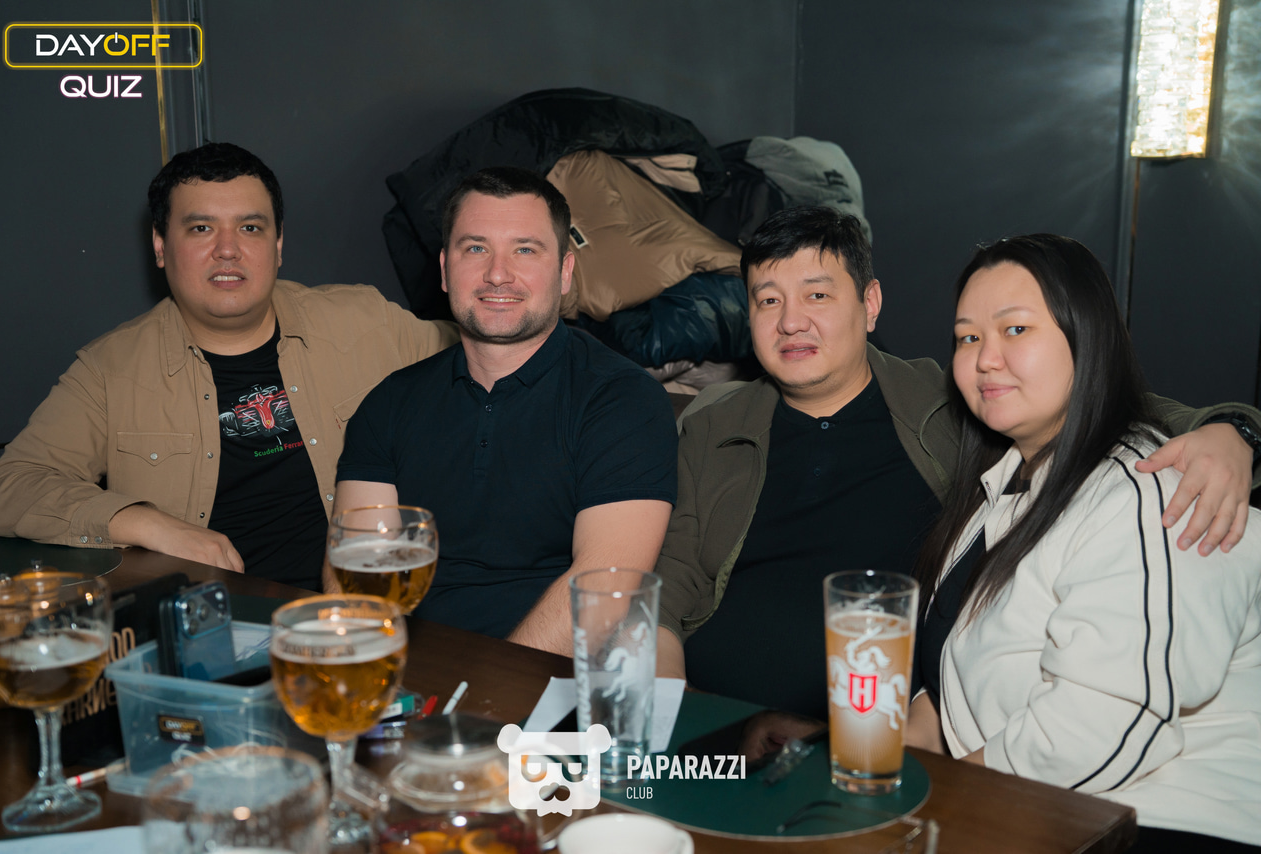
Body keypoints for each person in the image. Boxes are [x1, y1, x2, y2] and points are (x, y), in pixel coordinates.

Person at [655, 207, 1260, 720]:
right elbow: (673, 575)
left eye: (817, 294)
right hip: (715, 719)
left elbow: (1102, 398)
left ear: (870, 303)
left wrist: (1234, 430)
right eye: (768, 300)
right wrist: (667, 706)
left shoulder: (955, 403)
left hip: (880, 728)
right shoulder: (715, 423)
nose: (791, 321)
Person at [906, 235, 1260, 851]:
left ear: (1086, 338)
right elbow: (952, 690)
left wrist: (948, 793)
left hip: (1162, 820)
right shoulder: (1002, 492)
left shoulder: (1152, 492)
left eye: (1015, 329)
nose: (986, 358)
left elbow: (1107, 725)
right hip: (1045, 810)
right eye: (967, 338)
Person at [0, 143, 458, 591]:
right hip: (219, 626)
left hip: (367, 606)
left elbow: (481, 356)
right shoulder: (110, 370)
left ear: (278, 244)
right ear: (160, 245)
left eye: (250, 228)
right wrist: (148, 523)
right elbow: (5, 488)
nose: (227, 249)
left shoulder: (364, 321)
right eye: (201, 228)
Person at [331, 167, 677, 652]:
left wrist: (486, 689)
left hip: (547, 676)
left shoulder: (622, 401)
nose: (498, 273)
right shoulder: (390, 402)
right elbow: (355, 577)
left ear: (565, 272)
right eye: (476, 248)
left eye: (525, 250)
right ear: (444, 269)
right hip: (407, 670)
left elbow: (603, 591)